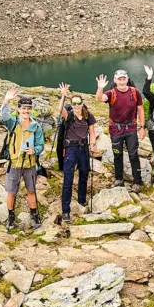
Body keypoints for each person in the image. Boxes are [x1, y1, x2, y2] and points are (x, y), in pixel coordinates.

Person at [0, 86, 45, 231]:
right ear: (19, 109)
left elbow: (41, 144)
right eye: (23, 108)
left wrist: (35, 150)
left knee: (31, 191)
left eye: (28, 108)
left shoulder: (36, 126)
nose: (26, 111)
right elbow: (4, 117)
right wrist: (7, 100)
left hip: (30, 164)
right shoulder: (13, 123)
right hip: (14, 163)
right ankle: (11, 218)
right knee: (12, 192)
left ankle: (35, 217)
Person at [55, 84, 97, 230]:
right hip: (71, 148)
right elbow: (60, 110)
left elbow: (92, 132)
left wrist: (93, 144)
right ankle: (65, 210)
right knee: (68, 178)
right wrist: (63, 96)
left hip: (83, 147)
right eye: (74, 104)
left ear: (82, 103)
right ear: (72, 105)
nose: (77, 106)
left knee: (84, 173)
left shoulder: (87, 115)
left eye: (79, 103)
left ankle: (82, 200)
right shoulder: (69, 114)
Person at [96, 70, 146, 191]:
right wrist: (100, 88)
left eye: (124, 79)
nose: (122, 81)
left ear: (127, 79)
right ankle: (119, 179)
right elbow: (99, 98)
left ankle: (137, 182)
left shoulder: (135, 92)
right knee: (117, 155)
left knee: (133, 155)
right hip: (115, 129)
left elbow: (140, 109)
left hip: (131, 128)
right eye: (119, 79)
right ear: (115, 80)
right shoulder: (111, 93)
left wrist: (142, 127)